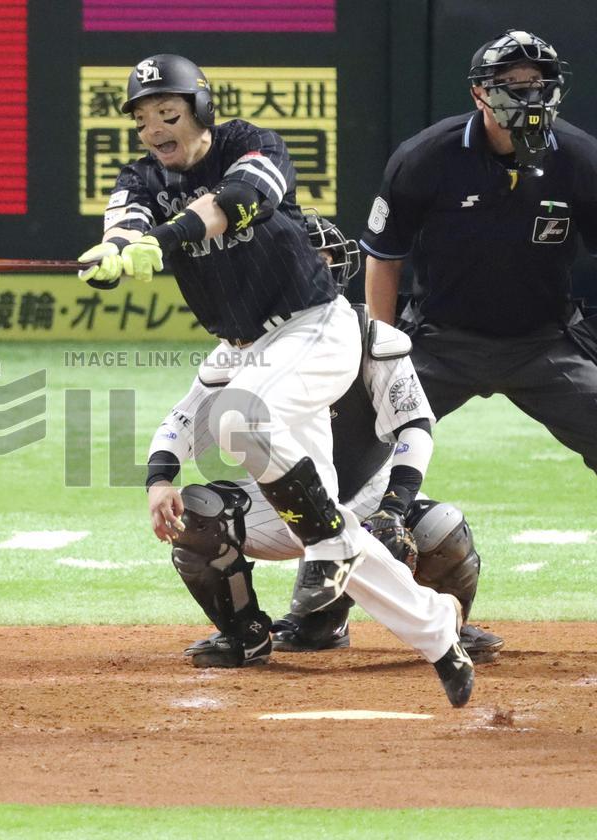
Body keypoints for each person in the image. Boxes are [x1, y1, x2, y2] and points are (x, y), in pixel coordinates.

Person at [80, 53, 473, 706]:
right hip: (245, 347)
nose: (154, 129)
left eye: (168, 114)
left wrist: (168, 236)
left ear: (199, 110)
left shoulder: (249, 144)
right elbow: (125, 217)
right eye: (144, 119)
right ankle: (435, 630)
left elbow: (245, 198)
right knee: (310, 516)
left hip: (314, 326)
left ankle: (328, 543)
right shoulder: (141, 176)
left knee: (241, 419)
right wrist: (117, 249)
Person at [156, 213, 500, 667]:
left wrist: (394, 509)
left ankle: (444, 627)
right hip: (276, 509)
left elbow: (415, 428)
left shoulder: (370, 337)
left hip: (365, 504)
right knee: (198, 515)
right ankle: (244, 635)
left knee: (443, 530)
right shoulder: (240, 346)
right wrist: (158, 480)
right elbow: (181, 420)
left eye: (317, 258)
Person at [363, 30, 597, 480]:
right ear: (479, 93)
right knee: (357, 441)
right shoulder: (425, 156)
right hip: (440, 342)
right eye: (513, 81)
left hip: (542, 343)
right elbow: (384, 255)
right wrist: (383, 352)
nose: (531, 93)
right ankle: (339, 541)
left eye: (539, 80)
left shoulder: (579, 156)